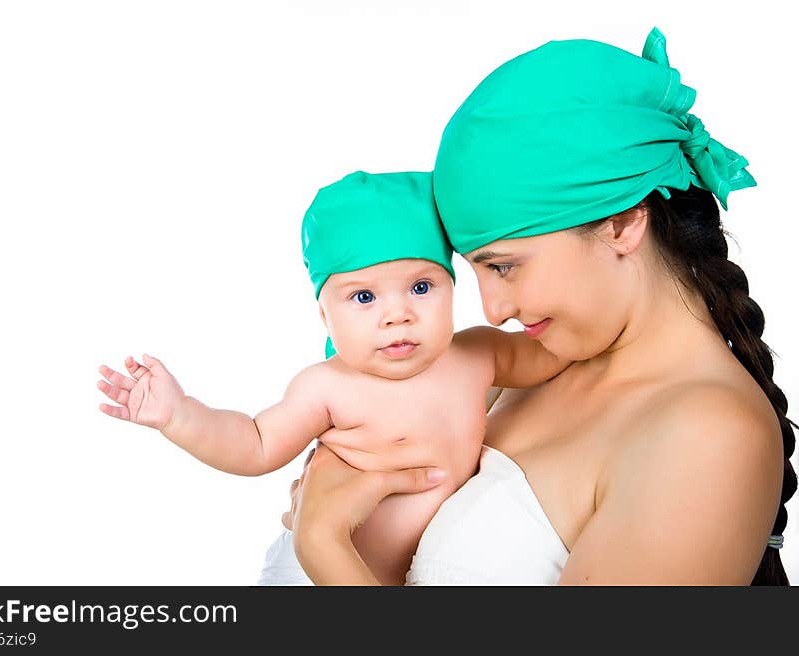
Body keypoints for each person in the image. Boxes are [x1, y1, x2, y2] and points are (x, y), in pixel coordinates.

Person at [285, 28, 796, 585]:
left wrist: (324, 544)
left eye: (504, 266)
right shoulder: (526, 369)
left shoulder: (707, 436)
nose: (493, 309)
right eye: (474, 271)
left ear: (623, 222)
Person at [96, 170, 568, 585]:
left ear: (451, 287)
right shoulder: (328, 387)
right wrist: (179, 415)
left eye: (420, 288)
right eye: (363, 298)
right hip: (310, 576)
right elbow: (255, 444)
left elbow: (556, 352)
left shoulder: (478, 353)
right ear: (324, 317)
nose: (397, 315)